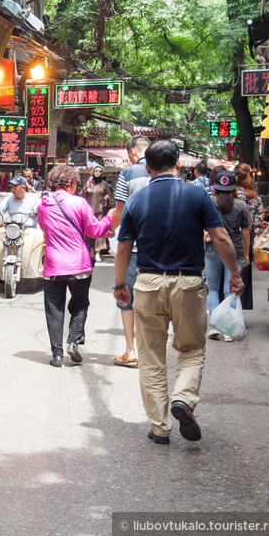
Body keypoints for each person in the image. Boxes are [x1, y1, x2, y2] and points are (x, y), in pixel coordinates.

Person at [114, 140, 242, 444]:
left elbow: (123, 247)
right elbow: (221, 238)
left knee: (151, 358)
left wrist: (120, 285)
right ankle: (183, 398)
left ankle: (159, 427)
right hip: (188, 284)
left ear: (147, 168)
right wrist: (235, 274)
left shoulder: (137, 200)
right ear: (179, 165)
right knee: (192, 349)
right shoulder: (198, 195)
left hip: (147, 284)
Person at [38, 165, 114, 368]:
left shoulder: (43, 206)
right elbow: (95, 230)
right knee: (80, 305)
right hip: (79, 266)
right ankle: (73, 341)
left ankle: (56, 355)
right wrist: (109, 219)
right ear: (71, 183)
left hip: (53, 266)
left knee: (54, 310)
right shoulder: (79, 203)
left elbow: (44, 229)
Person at [109, 135, 151, 369]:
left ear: (132, 152)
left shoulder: (127, 174)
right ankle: (149, 352)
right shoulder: (166, 171)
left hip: (133, 248)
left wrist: (110, 228)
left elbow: (119, 210)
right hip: (159, 251)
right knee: (153, 303)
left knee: (127, 300)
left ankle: (130, 351)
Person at [204, 171, 250, 342]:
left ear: (215, 187)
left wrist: (204, 233)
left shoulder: (209, 202)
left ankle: (215, 327)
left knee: (213, 289)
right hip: (236, 250)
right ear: (233, 188)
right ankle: (228, 329)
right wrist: (246, 253)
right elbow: (245, 232)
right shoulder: (241, 205)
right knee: (231, 289)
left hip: (212, 249)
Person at [233, 163, 265, 310]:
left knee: (229, 269)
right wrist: (256, 228)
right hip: (248, 235)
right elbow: (261, 213)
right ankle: (241, 305)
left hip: (231, 234)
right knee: (244, 270)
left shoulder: (232, 193)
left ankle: (230, 305)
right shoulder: (253, 195)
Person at [79, 165, 114, 262]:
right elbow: (82, 195)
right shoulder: (89, 183)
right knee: (90, 231)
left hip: (100, 209)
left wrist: (107, 197)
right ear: (93, 172)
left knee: (100, 230)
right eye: (96, 170)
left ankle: (98, 252)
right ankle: (91, 252)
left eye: (100, 171)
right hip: (89, 210)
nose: (98, 172)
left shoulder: (104, 184)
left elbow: (109, 195)